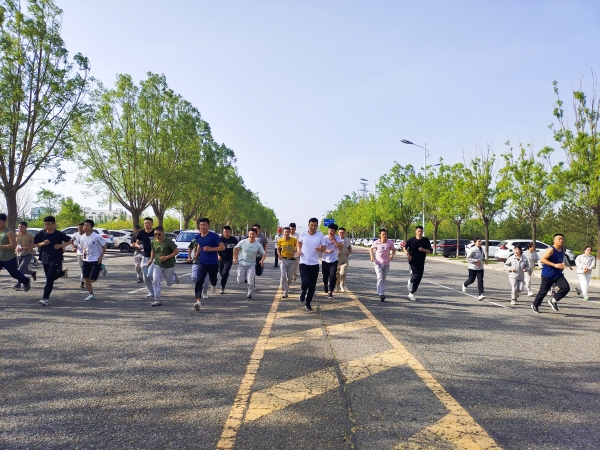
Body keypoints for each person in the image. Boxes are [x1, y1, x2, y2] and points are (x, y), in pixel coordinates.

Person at [34, 216, 71, 306]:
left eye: (49, 224)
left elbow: (70, 241)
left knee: (49, 279)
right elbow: (36, 244)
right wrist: (43, 243)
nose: (47, 226)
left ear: (54, 224)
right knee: (49, 278)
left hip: (56, 258)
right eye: (45, 224)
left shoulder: (59, 234)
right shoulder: (41, 233)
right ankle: (62, 273)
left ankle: (45, 298)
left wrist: (60, 246)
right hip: (45, 258)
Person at [531, 234, 570, 313]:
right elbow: (542, 259)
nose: (561, 240)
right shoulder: (551, 249)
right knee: (543, 292)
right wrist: (555, 265)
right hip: (548, 274)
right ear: (554, 240)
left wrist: (561, 265)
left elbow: (558, 260)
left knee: (566, 288)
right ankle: (535, 304)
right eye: (559, 239)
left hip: (558, 274)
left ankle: (553, 301)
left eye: (562, 239)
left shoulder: (562, 250)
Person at [193, 218, 225, 309]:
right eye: (201, 225)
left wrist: (211, 249)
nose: (203, 227)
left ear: (208, 225)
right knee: (199, 280)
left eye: (204, 225)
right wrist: (197, 253)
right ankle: (198, 302)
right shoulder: (198, 236)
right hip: (202, 262)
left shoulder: (213, 236)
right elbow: (200, 244)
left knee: (213, 278)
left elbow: (222, 247)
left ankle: (214, 284)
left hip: (213, 262)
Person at [297, 218, 327, 311]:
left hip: (314, 264)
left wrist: (320, 249)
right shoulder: (303, 234)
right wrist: (298, 250)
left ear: (317, 226)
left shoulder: (320, 235)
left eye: (315, 225)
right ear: (308, 225)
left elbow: (324, 247)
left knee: (312, 285)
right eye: (311, 225)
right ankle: (303, 291)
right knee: (305, 282)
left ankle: (308, 303)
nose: (313, 227)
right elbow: (299, 242)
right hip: (304, 262)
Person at [148, 226, 180, 307]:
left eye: (159, 234)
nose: (157, 236)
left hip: (169, 264)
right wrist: (151, 259)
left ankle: (174, 277)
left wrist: (166, 257)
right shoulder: (153, 241)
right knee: (155, 280)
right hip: (158, 264)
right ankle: (157, 299)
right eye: (155, 234)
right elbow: (153, 250)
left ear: (163, 233)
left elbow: (176, 251)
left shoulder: (168, 241)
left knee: (168, 283)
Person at [0, 213, 32, 293]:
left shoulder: (9, 232)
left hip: (9, 258)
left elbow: (13, 245)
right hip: (0, 257)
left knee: (14, 274)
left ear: (4, 221)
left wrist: (1, 246)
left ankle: (26, 280)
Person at [233, 228, 266, 301]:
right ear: (248, 234)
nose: (252, 235)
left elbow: (263, 254)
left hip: (251, 265)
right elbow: (235, 248)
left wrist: (262, 260)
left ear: (256, 235)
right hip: (242, 264)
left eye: (253, 234)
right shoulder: (243, 242)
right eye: (250, 234)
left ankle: (249, 295)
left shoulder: (258, 244)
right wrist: (234, 258)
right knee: (240, 281)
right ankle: (245, 277)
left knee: (251, 282)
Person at [80, 219, 108, 302]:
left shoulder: (96, 236)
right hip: (86, 260)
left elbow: (105, 245)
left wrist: (101, 256)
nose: (85, 227)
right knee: (86, 279)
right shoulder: (82, 237)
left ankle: (101, 268)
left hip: (96, 259)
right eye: (84, 225)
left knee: (92, 280)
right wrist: (83, 253)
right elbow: (83, 247)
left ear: (92, 227)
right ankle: (91, 294)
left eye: (88, 226)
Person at [403, 225, 432, 301]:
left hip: (421, 262)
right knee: (415, 276)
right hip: (412, 262)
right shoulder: (411, 240)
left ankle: (411, 293)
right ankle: (410, 281)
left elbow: (429, 251)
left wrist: (423, 250)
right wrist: (407, 254)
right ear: (415, 232)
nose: (420, 233)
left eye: (421, 231)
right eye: (419, 231)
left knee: (419, 278)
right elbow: (404, 248)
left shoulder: (425, 240)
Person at [370, 229, 396, 302]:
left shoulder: (390, 242)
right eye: (383, 234)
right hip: (378, 263)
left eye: (385, 234)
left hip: (386, 263)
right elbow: (371, 249)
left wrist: (392, 254)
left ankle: (379, 288)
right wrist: (372, 256)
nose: (384, 236)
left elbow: (394, 250)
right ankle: (381, 294)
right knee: (380, 277)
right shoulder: (376, 242)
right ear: (380, 235)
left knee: (382, 279)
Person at [135, 218, 156, 298]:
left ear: (152, 224)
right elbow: (137, 242)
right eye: (145, 223)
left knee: (151, 275)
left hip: (155, 257)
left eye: (148, 223)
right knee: (145, 276)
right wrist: (138, 246)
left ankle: (157, 288)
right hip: (145, 256)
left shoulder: (155, 232)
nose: (146, 224)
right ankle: (151, 292)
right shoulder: (141, 233)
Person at [322, 223, 343, 298]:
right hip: (325, 260)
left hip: (334, 260)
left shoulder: (338, 238)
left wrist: (334, 241)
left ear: (335, 231)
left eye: (332, 231)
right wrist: (327, 251)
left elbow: (341, 247)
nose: (330, 232)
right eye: (329, 230)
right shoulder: (324, 238)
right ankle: (325, 284)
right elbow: (320, 248)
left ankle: (330, 291)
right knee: (325, 276)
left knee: (332, 276)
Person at [14, 221, 36, 290]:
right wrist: (16, 248)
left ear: (26, 227)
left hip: (28, 254)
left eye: (22, 226)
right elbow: (15, 244)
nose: (20, 228)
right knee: (24, 269)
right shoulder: (16, 235)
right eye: (19, 226)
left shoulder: (30, 235)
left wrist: (26, 248)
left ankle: (18, 284)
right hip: (19, 254)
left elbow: (34, 245)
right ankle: (32, 273)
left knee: (20, 269)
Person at [277, 227, 298, 298]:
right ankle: (285, 292)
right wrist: (279, 255)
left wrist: (294, 251)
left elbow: (297, 247)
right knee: (283, 276)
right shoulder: (280, 240)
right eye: (285, 232)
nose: (286, 233)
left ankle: (286, 286)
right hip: (284, 260)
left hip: (292, 261)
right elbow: (278, 249)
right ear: (283, 232)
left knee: (290, 278)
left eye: (288, 232)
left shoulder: (294, 240)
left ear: (289, 232)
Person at [218, 225, 238, 294]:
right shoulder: (220, 239)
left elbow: (237, 249)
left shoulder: (234, 240)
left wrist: (235, 257)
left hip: (229, 258)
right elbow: (215, 247)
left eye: (227, 232)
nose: (226, 234)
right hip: (220, 258)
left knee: (225, 273)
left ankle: (222, 287)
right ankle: (225, 274)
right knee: (221, 272)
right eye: (224, 232)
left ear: (230, 232)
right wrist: (218, 255)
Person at [335, 227, 352, 292]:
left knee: (342, 272)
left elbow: (350, 248)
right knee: (337, 273)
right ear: (338, 233)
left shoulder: (347, 240)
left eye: (343, 233)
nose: (341, 234)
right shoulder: (335, 239)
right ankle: (337, 286)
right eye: (340, 232)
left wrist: (349, 252)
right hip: (336, 259)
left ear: (345, 233)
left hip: (344, 259)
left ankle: (342, 285)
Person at [71, 223, 86, 288]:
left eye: (81, 227)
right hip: (79, 253)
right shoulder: (75, 234)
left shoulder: (87, 234)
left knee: (85, 268)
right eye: (78, 228)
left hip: (87, 254)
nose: (79, 229)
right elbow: (70, 241)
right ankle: (83, 280)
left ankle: (82, 281)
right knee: (82, 267)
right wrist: (73, 247)